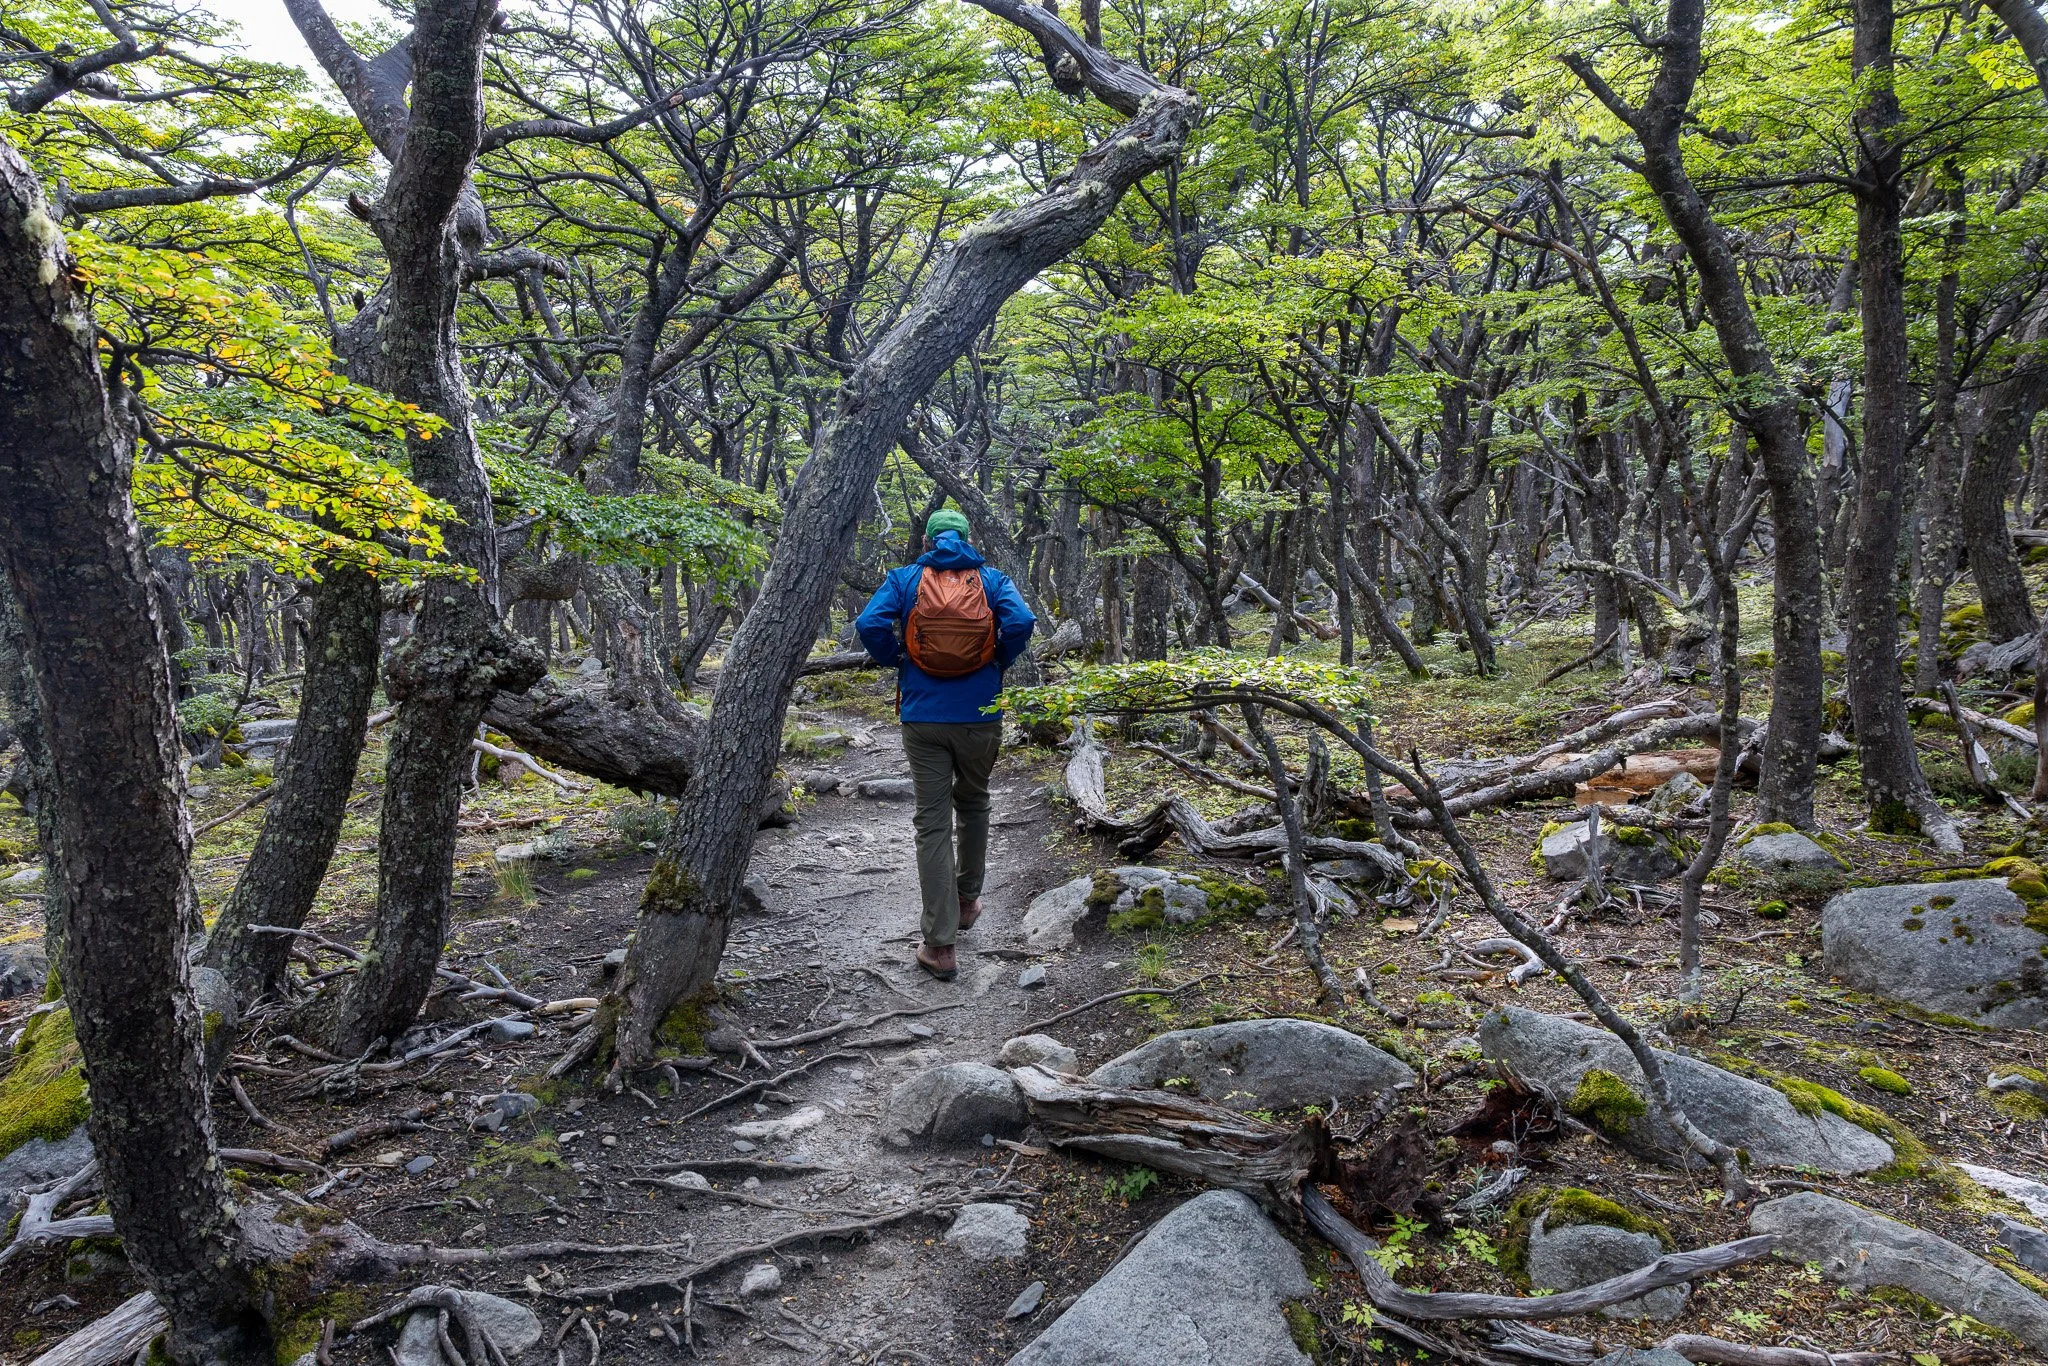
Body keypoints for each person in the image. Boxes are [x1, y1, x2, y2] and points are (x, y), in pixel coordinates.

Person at [856, 509, 1036, 980]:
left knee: (931, 823)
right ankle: (968, 899)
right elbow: (1020, 621)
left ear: (930, 538)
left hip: (923, 714)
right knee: (974, 802)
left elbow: (869, 623)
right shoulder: (992, 579)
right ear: (967, 537)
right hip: (980, 711)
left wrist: (897, 658)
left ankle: (940, 946)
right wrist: (997, 660)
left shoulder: (905, 579)